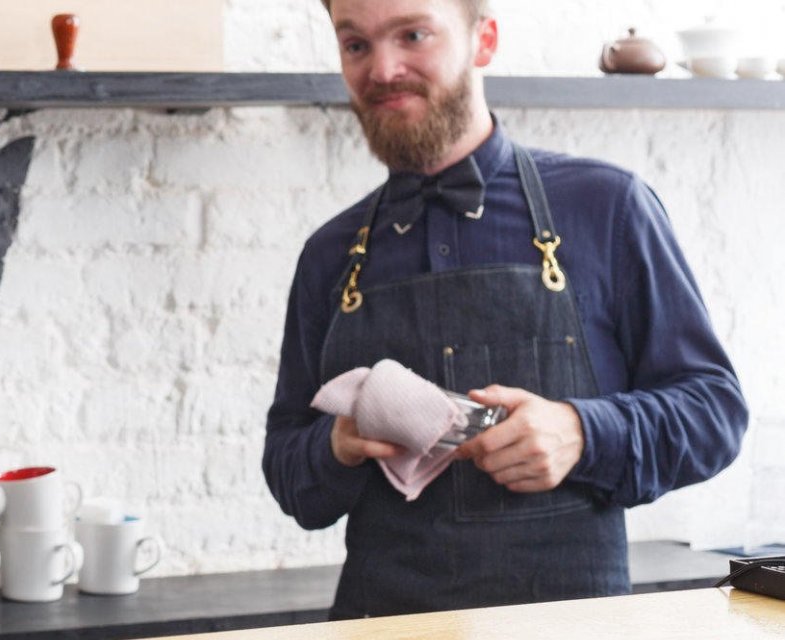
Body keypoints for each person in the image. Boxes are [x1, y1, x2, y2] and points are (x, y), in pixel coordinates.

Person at [263, 0, 747, 619]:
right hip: (380, 624)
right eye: (355, 44)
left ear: (483, 41)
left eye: (413, 34)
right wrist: (337, 443)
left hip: (572, 627)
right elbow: (287, 470)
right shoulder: (331, 255)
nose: (382, 68)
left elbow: (715, 412)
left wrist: (582, 432)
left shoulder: (607, 206)